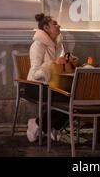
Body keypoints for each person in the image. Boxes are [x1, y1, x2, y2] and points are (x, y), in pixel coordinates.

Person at [26, 13, 78, 143]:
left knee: (74, 96)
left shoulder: (58, 43)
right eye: (54, 24)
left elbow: (59, 65)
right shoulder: (38, 45)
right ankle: (37, 123)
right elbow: (35, 73)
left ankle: (52, 126)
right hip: (35, 85)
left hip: (54, 84)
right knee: (68, 98)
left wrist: (68, 60)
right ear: (46, 28)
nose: (58, 25)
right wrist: (54, 63)